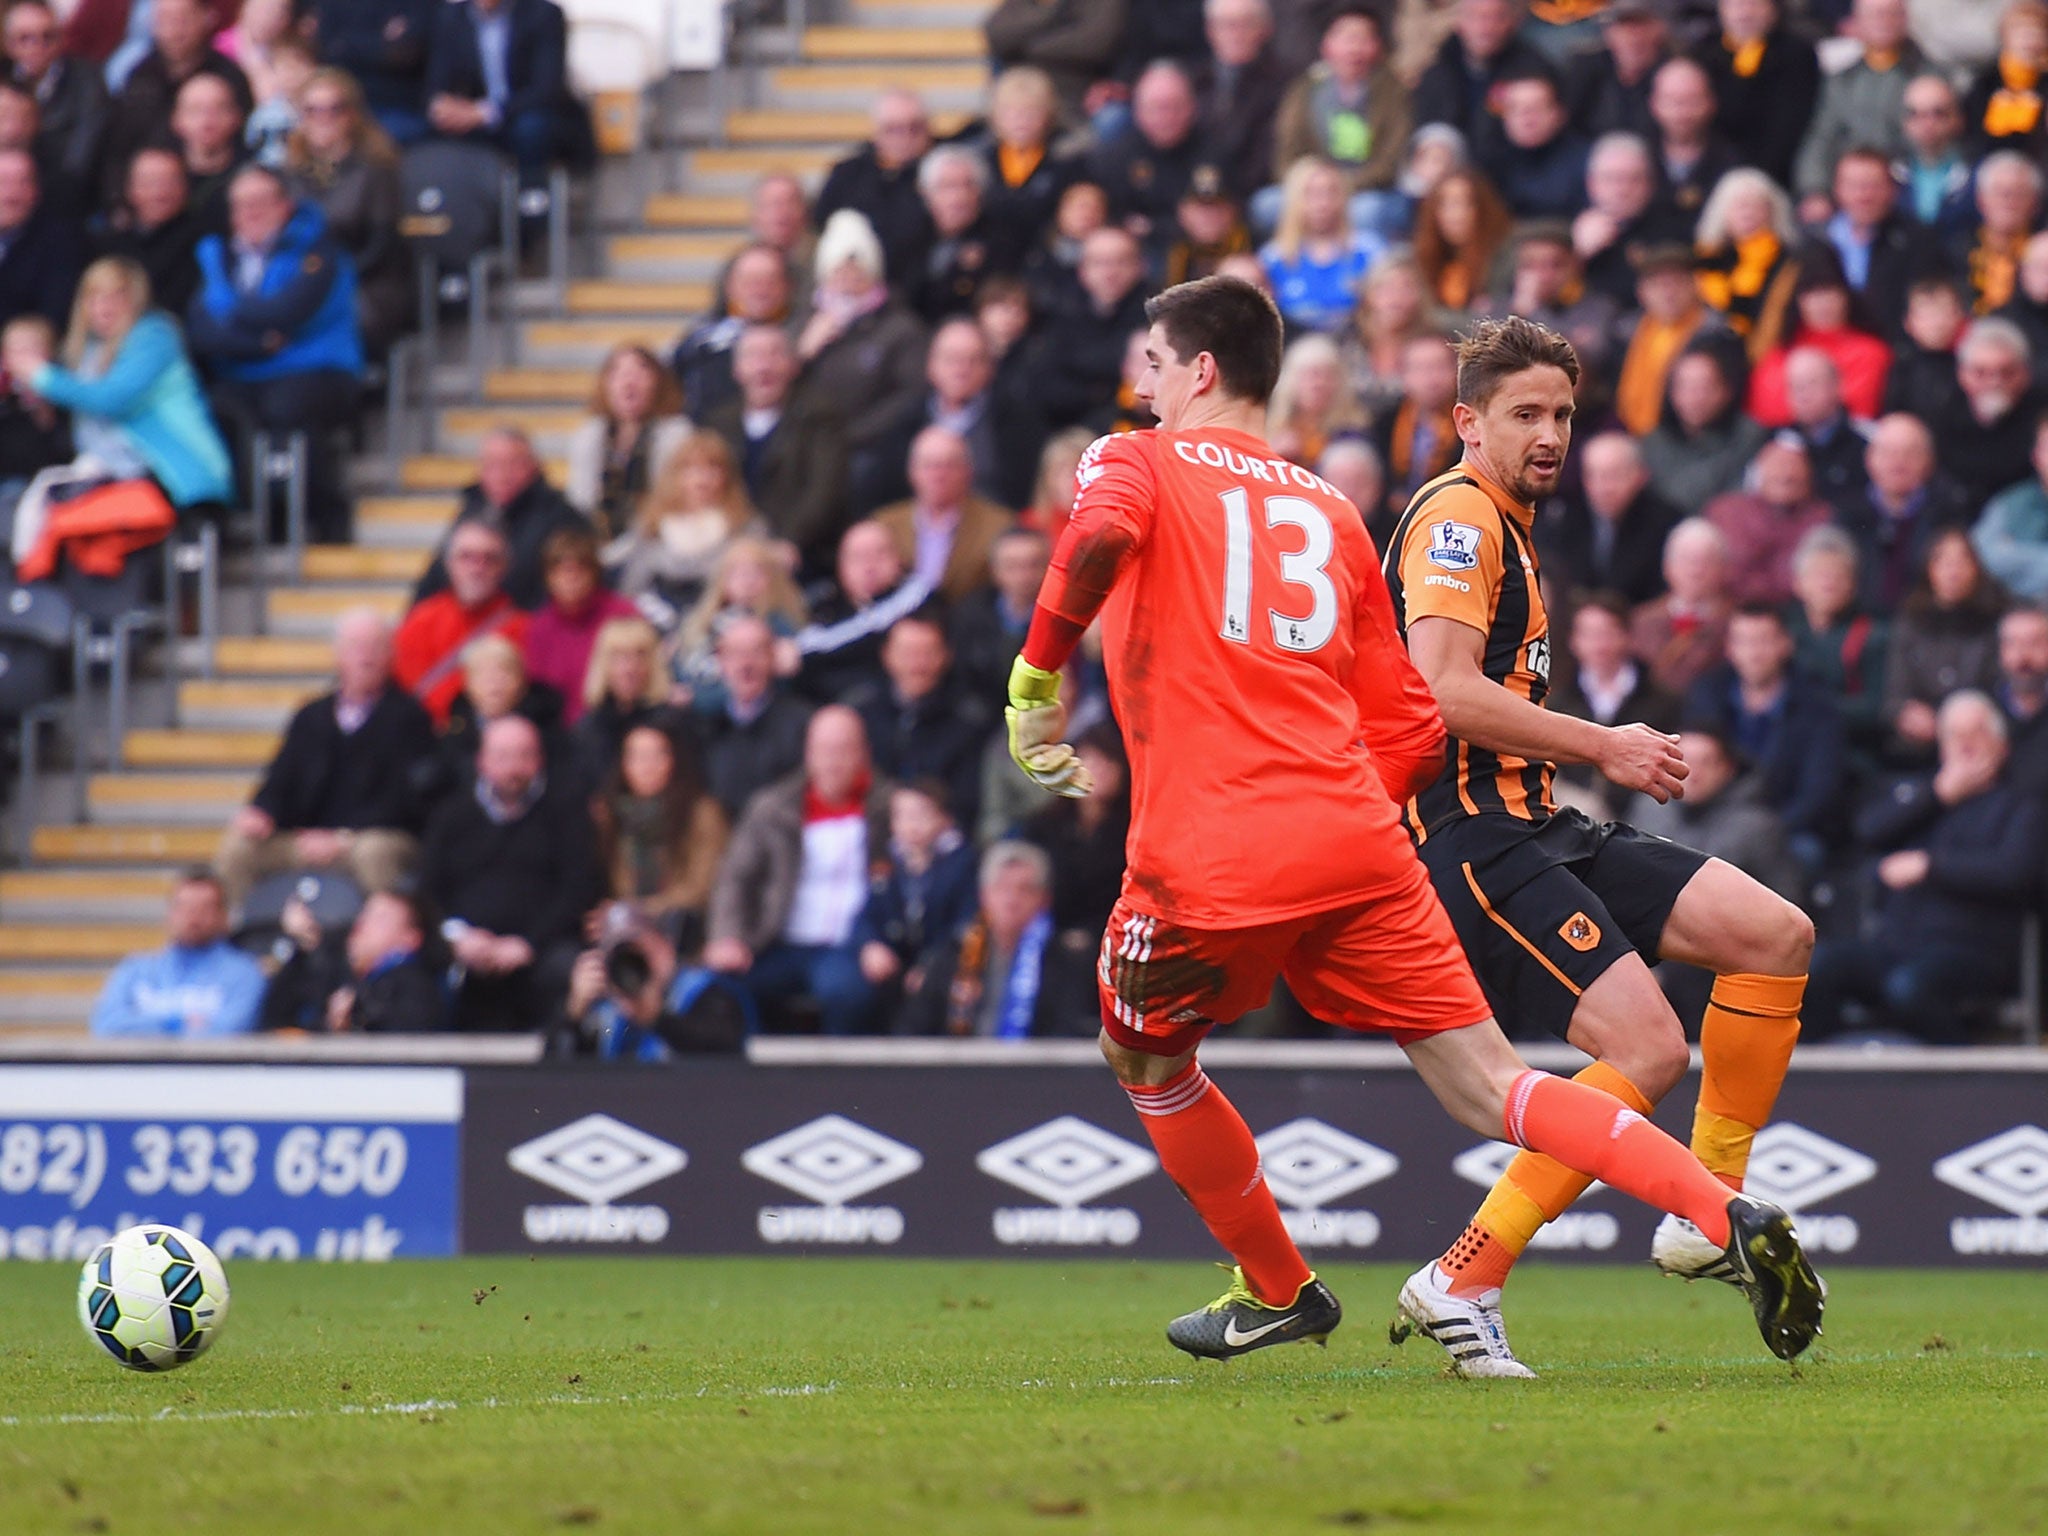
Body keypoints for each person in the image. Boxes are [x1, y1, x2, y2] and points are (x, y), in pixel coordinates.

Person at [1009, 284, 1819, 1365]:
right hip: (1361, 841)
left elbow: (1100, 533)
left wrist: (1034, 679)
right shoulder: (1330, 509)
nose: (1141, 383)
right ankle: (1720, 1211)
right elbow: (1408, 724)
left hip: (1212, 848)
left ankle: (1281, 1287)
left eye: (1152, 361)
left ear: (1198, 372)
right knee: (1499, 1086)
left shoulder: (1133, 458)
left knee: (1143, 1057)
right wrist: (1338, 808)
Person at [1379, 313, 1817, 1376]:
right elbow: (1440, 693)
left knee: (1774, 933)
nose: (1549, 434)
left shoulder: (1511, 523)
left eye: (1563, 415)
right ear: (1466, 421)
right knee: (1650, 1049)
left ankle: (1696, 1215)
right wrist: (1600, 744)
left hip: (1540, 823)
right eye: (1524, 413)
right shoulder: (1456, 518)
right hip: (1475, 840)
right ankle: (1463, 1276)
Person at [1807, 691, 2044, 1043]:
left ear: (2002, 745)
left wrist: (1931, 867)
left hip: (1973, 949)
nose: (1964, 745)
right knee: (1819, 969)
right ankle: (1833, 1078)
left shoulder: (2022, 806)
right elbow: (1869, 830)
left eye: (1975, 733)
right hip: (1897, 944)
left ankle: (1964, 1082)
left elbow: (2013, 873)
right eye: (1953, 734)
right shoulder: (1922, 797)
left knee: (1909, 988)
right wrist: (1938, 795)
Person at [185, 164, 362, 542]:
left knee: (287, 407)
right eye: (241, 205)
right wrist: (259, 344)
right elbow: (201, 331)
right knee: (211, 410)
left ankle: (323, 512)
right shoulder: (217, 256)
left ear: (285, 206)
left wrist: (227, 306)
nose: (250, 214)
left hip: (317, 366)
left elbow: (285, 312)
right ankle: (231, 521)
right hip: (242, 369)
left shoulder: (318, 251)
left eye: (261, 203)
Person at [216, 607, 436, 905]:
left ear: (390, 656)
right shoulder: (311, 716)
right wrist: (262, 811)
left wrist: (343, 838)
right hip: (307, 838)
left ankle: (383, 940)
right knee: (238, 848)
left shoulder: (410, 718)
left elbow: (406, 801)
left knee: (375, 852)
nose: (366, 656)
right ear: (338, 655)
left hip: (369, 838)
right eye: (357, 647)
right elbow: (281, 779)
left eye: (376, 647)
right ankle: (237, 940)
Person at [704, 705, 892, 1036]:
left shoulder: (888, 809)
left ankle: (842, 1085)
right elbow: (736, 878)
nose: (833, 761)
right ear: (808, 753)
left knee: (847, 993)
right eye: (825, 750)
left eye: (844, 750)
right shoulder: (773, 808)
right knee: (719, 987)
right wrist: (728, 937)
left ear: (865, 753)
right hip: (777, 940)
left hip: (848, 947)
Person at [3, 254, 233, 513]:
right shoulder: (86, 351)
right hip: (119, 475)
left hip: (179, 478)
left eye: (117, 297)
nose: (105, 306)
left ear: (136, 300)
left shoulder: (155, 336)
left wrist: (41, 375)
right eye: (95, 296)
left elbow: (110, 400)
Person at [418, 714, 601, 1031]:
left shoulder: (566, 813)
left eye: (524, 755)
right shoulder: (451, 816)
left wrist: (527, 944)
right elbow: (428, 892)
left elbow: (577, 890)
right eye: (502, 756)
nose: (514, 768)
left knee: (571, 969)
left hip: (542, 946)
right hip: (465, 946)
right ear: (482, 762)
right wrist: (459, 938)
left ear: (540, 760)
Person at [1683, 604, 1847, 868]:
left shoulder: (1817, 706)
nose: (1754, 653)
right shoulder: (1708, 693)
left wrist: (1766, 829)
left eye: (1764, 641)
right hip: (1712, 819)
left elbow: (1820, 792)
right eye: (1744, 642)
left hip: (1787, 826)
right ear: (1730, 648)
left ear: (1786, 645)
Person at [896, 840, 1099, 1038]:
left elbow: (1069, 1032)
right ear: (984, 895)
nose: (1012, 900)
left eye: (1025, 889)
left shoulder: (1065, 962)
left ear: (1044, 899)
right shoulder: (953, 955)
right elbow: (914, 1029)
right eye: (1003, 888)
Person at [284, 68, 407, 358]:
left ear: (352, 115)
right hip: (298, 278)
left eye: (334, 109)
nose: (323, 118)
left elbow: (382, 245)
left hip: (364, 281)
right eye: (312, 110)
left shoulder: (376, 170)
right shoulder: (289, 173)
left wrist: (329, 280)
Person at [704, 323, 848, 571]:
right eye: (754, 356)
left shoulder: (819, 417)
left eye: (774, 354)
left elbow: (823, 491)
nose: (764, 366)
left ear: (793, 365)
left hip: (799, 549)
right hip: (727, 547)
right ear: (737, 369)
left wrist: (789, 541)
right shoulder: (718, 422)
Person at [424, 0, 591, 196]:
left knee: (531, 129)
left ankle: (530, 209)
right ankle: (467, 213)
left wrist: (484, 112)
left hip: (533, 116)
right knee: (432, 132)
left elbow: (546, 88)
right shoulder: (452, 16)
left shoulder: (544, 14)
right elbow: (437, 81)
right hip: (476, 120)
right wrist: (442, 106)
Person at [98, 0, 251, 209]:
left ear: (207, 18)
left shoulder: (229, 76)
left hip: (216, 187)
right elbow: (120, 145)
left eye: (183, 19)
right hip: (148, 195)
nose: (175, 30)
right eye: (165, 20)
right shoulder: (140, 76)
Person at [1270, 6, 1412, 230]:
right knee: (1267, 206)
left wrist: (1339, 188)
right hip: (1311, 188)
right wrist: (1314, 188)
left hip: (1370, 192)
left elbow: (1392, 160)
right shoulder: (1304, 89)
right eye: (1346, 38)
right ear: (1326, 45)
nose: (1354, 48)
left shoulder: (1394, 92)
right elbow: (1286, 153)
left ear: (1377, 47)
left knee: (1366, 212)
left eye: (1363, 38)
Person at [854, 778, 980, 1028]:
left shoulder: (963, 864)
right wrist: (870, 945)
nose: (911, 825)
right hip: (896, 964)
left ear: (945, 820)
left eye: (921, 815)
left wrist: (930, 967)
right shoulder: (887, 864)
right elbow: (866, 915)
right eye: (902, 816)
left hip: (942, 962)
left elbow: (963, 925)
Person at [590, 721, 727, 950]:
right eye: (638, 756)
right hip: (623, 936)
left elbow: (702, 888)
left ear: (674, 761)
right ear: (623, 764)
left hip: (686, 932)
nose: (648, 766)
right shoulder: (607, 816)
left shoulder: (703, 813)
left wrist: (635, 912)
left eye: (658, 755)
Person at [415, 426, 585, 611]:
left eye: (513, 463)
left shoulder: (561, 518)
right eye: (492, 464)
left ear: (534, 466)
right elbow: (434, 580)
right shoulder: (471, 512)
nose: (502, 474)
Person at [850, 608, 993, 826]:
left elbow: (970, 801)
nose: (917, 665)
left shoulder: (969, 720)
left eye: (927, 653)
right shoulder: (861, 712)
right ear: (887, 655)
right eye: (908, 653)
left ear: (946, 655)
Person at [605, 431, 768, 618]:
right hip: (657, 615)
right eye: (692, 469)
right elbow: (632, 583)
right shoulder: (651, 525)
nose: (703, 479)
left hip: (720, 618)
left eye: (713, 469)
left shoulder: (746, 526)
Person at [90, 869, 266, 1037]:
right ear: (170, 913)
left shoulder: (244, 974)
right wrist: (175, 1023)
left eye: (204, 908)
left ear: (224, 916)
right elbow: (107, 1025)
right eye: (185, 908)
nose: (193, 918)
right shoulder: (135, 971)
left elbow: (232, 1031)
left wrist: (146, 1027)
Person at [1883, 528, 2006, 762]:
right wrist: (1903, 712)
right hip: (1918, 746)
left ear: (1976, 568)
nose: (1953, 571)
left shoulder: (1995, 621)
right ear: (1929, 569)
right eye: (1943, 561)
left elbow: (2000, 691)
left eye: (1962, 561)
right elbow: (1895, 695)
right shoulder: (1910, 621)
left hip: (1978, 742)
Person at [393, 517, 528, 726]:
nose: (477, 568)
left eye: (489, 559)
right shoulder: (420, 621)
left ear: (504, 567)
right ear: (449, 564)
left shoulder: (523, 629)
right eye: (466, 557)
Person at [260, 887, 449, 1034]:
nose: (363, 923)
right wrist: (302, 952)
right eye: (365, 914)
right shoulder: (343, 975)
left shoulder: (415, 988)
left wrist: (354, 1022)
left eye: (380, 918)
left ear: (411, 938)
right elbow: (276, 1020)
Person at [792, 518, 937, 704]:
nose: (870, 566)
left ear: (898, 558)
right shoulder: (825, 609)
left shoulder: (919, 601)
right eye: (858, 557)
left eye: (880, 554)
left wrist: (804, 657)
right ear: (841, 568)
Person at [1793, 0, 1923, 207]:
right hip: (1848, 189)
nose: (1884, 22)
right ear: (1857, 22)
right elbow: (1822, 136)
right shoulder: (1842, 80)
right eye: (1875, 15)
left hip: (1907, 187)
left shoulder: (1927, 76)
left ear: (1905, 19)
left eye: (1892, 14)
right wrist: (1815, 189)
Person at [689, 612, 815, 820]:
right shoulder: (705, 729)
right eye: (736, 654)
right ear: (721, 661)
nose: (746, 665)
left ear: (772, 657)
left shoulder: (801, 723)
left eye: (756, 652)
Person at [874, 426, 1016, 604]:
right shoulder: (884, 524)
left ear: (968, 471)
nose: (939, 475)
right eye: (929, 466)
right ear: (912, 472)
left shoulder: (999, 525)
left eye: (949, 465)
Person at [564, 344, 690, 539]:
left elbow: (671, 503)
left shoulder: (677, 435)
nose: (629, 382)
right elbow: (581, 503)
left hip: (659, 540)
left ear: (658, 383)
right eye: (619, 374)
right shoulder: (591, 435)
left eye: (640, 373)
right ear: (606, 385)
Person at [1538, 431, 1677, 607]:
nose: (1603, 488)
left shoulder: (1665, 523)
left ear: (1640, 476)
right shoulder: (1562, 518)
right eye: (1593, 476)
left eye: (1614, 476)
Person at [1692, 0, 1817, 187]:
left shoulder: (1796, 55)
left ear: (1773, 9)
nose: (1745, 13)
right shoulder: (1703, 53)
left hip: (1774, 176)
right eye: (1735, 4)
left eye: (1754, 4)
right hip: (1711, 175)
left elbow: (1790, 126)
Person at [521, 526, 637, 726]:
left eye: (580, 569)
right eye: (561, 571)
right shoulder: (539, 627)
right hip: (558, 732)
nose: (571, 578)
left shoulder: (623, 614)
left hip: (617, 725)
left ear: (595, 573)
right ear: (548, 577)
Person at [813, 91, 931, 286]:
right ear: (876, 132)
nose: (905, 137)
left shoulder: (943, 172)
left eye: (915, 128)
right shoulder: (848, 175)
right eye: (894, 129)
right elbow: (820, 225)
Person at [1929, 317, 2045, 513]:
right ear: (1962, 375)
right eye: (1981, 373)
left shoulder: (2041, 417)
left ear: (2025, 374)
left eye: (2006, 372)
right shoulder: (1942, 415)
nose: (1994, 382)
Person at [1703, 436, 1834, 607]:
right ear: (1758, 472)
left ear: (1809, 476)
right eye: (1778, 465)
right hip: (1730, 611)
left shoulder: (1824, 518)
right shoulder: (1725, 512)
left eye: (1794, 467)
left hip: (1799, 615)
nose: (1786, 475)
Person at [1638, 340, 1766, 514]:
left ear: (1726, 391)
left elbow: (1741, 499)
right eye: (1685, 387)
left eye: (1706, 387)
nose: (1695, 398)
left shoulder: (1750, 436)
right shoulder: (1653, 443)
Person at [671, 243, 795, 422]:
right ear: (730, 287)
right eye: (750, 281)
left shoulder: (808, 339)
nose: (761, 290)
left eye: (770, 280)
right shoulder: (700, 344)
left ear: (787, 287)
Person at [1259, 157, 1383, 335]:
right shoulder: (1272, 258)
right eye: (1312, 194)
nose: (1323, 204)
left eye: (1331, 192)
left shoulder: (1368, 250)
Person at [1692, 167, 1800, 362]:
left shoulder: (1787, 260)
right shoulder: (1706, 260)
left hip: (1763, 355)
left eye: (1756, 206)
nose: (1748, 213)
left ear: (1772, 211)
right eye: (1740, 206)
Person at [4, 0, 106, 197]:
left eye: (47, 37)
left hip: (62, 193)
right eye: (25, 38)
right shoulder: (3, 78)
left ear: (61, 40)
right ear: (9, 44)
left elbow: (81, 156)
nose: (37, 46)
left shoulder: (87, 83)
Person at [89, 147, 202, 318]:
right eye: (149, 182)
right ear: (130, 189)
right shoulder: (108, 243)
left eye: (170, 182)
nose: (160, 193)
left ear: (185, 187)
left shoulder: (202, 239)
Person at [1632, 516, 1737, 696]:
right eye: (1687, 560)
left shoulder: (1734, 622)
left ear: (1724, 568)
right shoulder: (1642, 621)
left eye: (1706, 561)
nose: (1695, 571)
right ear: (1667, 567)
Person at [1471, 68, 1589, 222]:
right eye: (1515, 108)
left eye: (1536, 107)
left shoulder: (1588, 162)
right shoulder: (1487, 165)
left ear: (1558, 113)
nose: (1526, 116)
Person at [950, 526, 1049, 707]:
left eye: (1033, 565)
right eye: (1012, 566)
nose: (1023, 576)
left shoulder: (1061, 622)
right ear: (995, 570)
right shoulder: (970, 613)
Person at [575, 614, 672, 788]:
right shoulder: (587, 730)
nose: (629, 668)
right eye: (619, 657)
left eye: (640, 657)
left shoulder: (673, 725)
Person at [0, 147, 82, 331]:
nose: (12, 194)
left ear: (36, 191)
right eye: (3, 182)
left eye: (23, 182)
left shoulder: (60, 243)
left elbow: (52, 317)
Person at [1410, 167, 1509, 311]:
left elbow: (1494, 318)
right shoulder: (1423, 256)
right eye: (1446, 204)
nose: (1457, 215)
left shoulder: (1503, 255)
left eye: (1467, 203)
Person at [1973, 411, 2048, 602]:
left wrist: (2015, 555)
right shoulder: (2008, 504)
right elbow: (1981, 559)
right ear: (2035, 455)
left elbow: (2002, 560)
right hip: (2013, 614)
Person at [1267, 333, 1368, 469]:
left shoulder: (1354, 433)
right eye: (1311, 375)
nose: (1319, 384)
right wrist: (1272, 456)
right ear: (1291, 381)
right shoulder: (1270, 429)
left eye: (1327, 376)